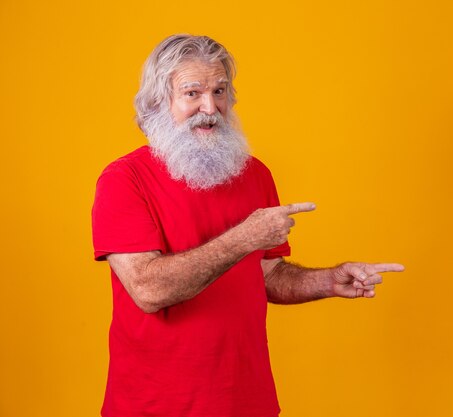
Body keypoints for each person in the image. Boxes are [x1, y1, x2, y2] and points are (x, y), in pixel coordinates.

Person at [91, 34, 404, 417]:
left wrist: (327, 280)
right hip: (155, 405)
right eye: (192, 93)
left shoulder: (254, 174)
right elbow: (148, 289)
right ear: (159, 103)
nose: (211, 107)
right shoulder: (124, 180)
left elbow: (267, 275)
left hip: (245, 400)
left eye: (219, 91)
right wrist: (244, 238)